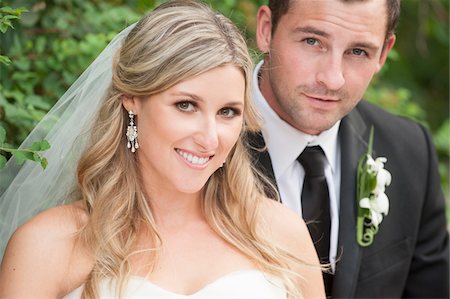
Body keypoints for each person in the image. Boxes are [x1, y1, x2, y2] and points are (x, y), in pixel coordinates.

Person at [0, 1, 326, 298]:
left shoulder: (280, 233)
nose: (210, 139)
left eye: (228, 112)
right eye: (186, 105)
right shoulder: (48, 244)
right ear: (132, 99)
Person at [249, 0, 450, 298]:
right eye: (312, 41)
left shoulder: (409, 151)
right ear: (266, 30)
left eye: (358, 52)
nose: (332, 79)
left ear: (383, 52)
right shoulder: (198, 149)